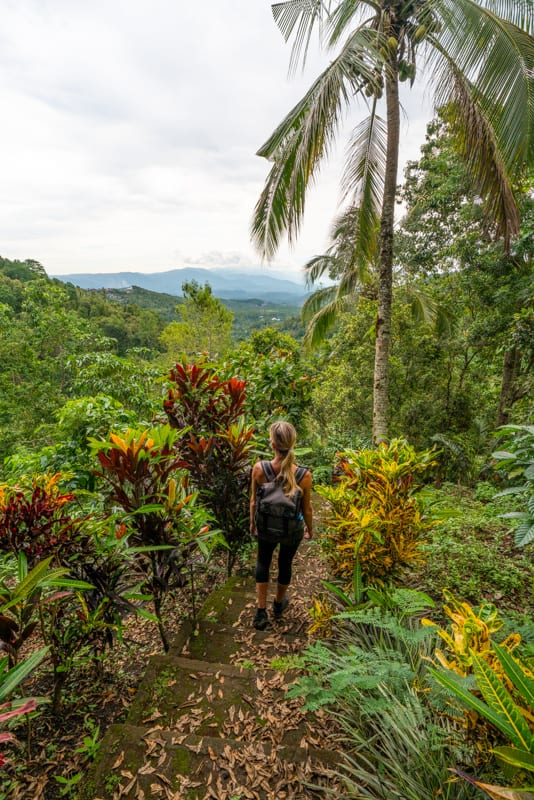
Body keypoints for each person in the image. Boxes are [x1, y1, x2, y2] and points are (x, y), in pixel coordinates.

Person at [249, 421, 313, 630]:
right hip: (291, 530)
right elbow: (307, 509)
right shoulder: (304, 475)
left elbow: (253, 501)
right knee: (285, 563)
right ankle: (278, 604)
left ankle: (260, 612)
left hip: (265, 526)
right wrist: (310, 529)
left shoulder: (259, 469)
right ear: (292, 443)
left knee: (263, 561)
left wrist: (253, 524)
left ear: (273, 444)